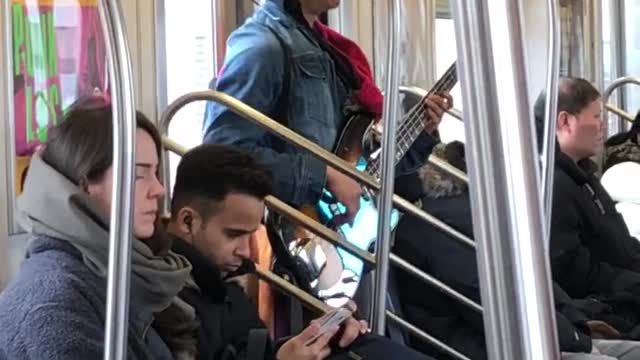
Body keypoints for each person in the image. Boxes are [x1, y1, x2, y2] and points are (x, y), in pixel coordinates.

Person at [166, 143, 435, 360]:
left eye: (252, 234)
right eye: (234, 234)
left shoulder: (222, 285)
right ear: (188, 221)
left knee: (359, 343)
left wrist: (311, 338)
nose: (248, 251)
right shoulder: (166, 304)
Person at [203, 0, 451, 216]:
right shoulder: (261, 47)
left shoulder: (328, 50)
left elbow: (362, 165)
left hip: (333, 231)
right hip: (291, 230)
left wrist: (422, 131)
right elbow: (223, 155)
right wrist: (324, 176)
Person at [394, 141, 640, 360]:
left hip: (537, 336)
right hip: (496, 347)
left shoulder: (469, 216)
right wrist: (575, 337)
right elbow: (491, 305)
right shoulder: (445, 227)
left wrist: (576, 330)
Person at [0, 98, 195, 359]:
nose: (158, 190)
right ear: (84, 185)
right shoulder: (56, 303)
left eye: (156, 173)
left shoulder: (114, 272)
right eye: (139, 175)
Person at [532, 79, 640, 336]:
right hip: (604, 307)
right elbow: (574, 273)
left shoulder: (582, 175)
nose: (604, 125)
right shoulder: (551, 186)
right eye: (596, 116)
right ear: (565, 121)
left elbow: (618, 243)